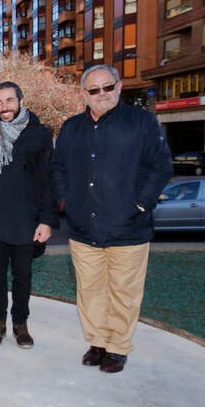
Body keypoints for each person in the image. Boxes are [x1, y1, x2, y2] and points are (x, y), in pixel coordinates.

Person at [51, 65, 172, 373]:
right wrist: (68, 201)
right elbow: (58, 168)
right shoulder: (71, 128)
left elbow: (160, 167)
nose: (101, 94)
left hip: (129, 228)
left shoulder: (141, 122)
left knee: (124, 292)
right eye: (94, 90)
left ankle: (117, 348)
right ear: (84, 94)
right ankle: (98, 342)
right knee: (90, 291)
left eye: (107, 87)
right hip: (82, 228)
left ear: (119, 87)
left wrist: (142, 204)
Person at [0, 82, 58, 349]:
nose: (4, 107)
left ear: (21, 101)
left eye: (9, 100)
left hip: (26, 221)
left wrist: (46, 220)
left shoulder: (38, 134)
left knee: (23, 278)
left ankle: (20, 325)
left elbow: (49, 181)